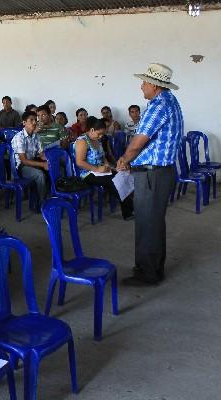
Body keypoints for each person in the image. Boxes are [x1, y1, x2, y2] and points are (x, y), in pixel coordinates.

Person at [117, 63, 183, 286]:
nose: (141, 86)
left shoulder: (158, 107)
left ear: (155, 85)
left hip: (152, 174)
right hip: (160, 172)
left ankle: (148, 273)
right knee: (153, 222)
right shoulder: (170, 101)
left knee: (147, 223)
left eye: (144, 82)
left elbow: (137, 143)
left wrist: (125, 159)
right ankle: (152, 267)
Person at [74, 116, 134, 220]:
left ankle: (131, 206)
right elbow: (79, 162)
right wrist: (97, 169)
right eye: (99, 134)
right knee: (113, 181)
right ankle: (128, 211)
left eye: (103, 134)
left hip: (101, 171)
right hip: (87, 173)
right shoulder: (82, 141)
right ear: (92, 130)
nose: (101, 136)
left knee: (122, 175)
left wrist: (113, 167)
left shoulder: (97, 140)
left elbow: (103, 158)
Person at [11, 111, 48, 199]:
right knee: (40, 175)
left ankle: (55, 197)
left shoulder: (36, 136)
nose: (34, 122)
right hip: (21, 167)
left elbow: (41, 155)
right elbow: (24, 160)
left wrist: (49, 161)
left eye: (35, 120)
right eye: (31, 120)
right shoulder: (19, 137)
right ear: (24, 123)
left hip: (33, 162)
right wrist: (43, 164)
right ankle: (42, 202)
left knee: (54, 167)